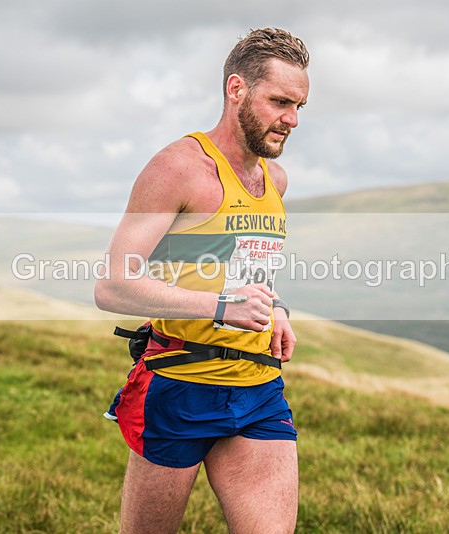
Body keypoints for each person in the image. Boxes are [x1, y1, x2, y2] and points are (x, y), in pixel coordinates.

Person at [94, 27, 310, 534]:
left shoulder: (275, 181)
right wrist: (220, 307)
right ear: (236, 90)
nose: (292, 120)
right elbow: (112, 286)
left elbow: (242, 273)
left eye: (299, 105)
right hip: (178, 385)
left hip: (258, 387)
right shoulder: (178, 169)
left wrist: (274, 309)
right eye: (279, 101)